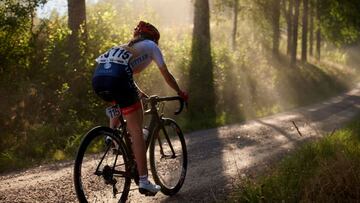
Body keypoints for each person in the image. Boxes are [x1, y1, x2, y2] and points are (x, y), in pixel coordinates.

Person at [92, 21, 188, 195]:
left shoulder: (126, 47)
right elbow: (166, 75)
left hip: (99, 78)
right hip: (118, 78)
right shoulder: (151, 46)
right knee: (137, 131)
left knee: (120, 103)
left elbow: (123, 72)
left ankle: (112, 135)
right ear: (154, 38)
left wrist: (141, 94)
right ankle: (144, 181)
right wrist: (180, 92)